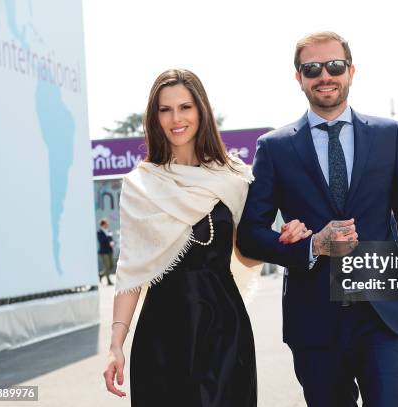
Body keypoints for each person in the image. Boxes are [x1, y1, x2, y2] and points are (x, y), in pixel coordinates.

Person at [237, 32, 398, 407]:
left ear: (350, 70)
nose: (324, 76)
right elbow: (250, 236)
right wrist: (311, 245)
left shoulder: (388, 135)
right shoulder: (275, 148)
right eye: (311, 68)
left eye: (334, 66)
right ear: (298, 77)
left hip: (381, 317)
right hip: (314, 324)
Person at [102, 69, 310, 406]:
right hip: (161, 331)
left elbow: (247, 255)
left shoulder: (234, 178)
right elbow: (131, 271)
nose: (176, 118)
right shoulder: (140, 185)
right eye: (165, 109)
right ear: (154, 118)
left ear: (201, 110)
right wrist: (115, 344)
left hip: (223, 327)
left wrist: (280, 240)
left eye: (185, 107)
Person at [97, 218, 114, 285]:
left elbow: (111, 239)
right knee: (107, 266)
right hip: (103, 252)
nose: (108, 225)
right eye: (106, 224)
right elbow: (102, 241)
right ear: (103, 224)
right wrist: (108, 238)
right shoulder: (99, 232)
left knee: (111, 265)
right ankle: (108, 281)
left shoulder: (108, 231)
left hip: (110, 250)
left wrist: (112, 242)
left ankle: (101, 274)